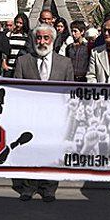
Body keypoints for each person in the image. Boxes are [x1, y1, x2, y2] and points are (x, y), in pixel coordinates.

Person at [13, 23, 74, 202]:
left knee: (52, 151)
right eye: (38, 38)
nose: (42, 41)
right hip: (30, 117)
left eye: (46, 38)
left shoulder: (65, 63)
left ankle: (49, 187)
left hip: (55, 119)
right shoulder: (23, 61)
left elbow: (70, 93)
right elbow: (16, 89)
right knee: (30, 151)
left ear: (53, 41)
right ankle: (29, 186)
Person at [3, 13, 30, 78]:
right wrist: (4, 63)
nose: (18, 25)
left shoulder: (27, 36)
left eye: (20, 23)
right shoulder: (9, 35)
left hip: (21, 67)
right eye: (17, 22)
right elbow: (5, 51)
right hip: (9, 66)